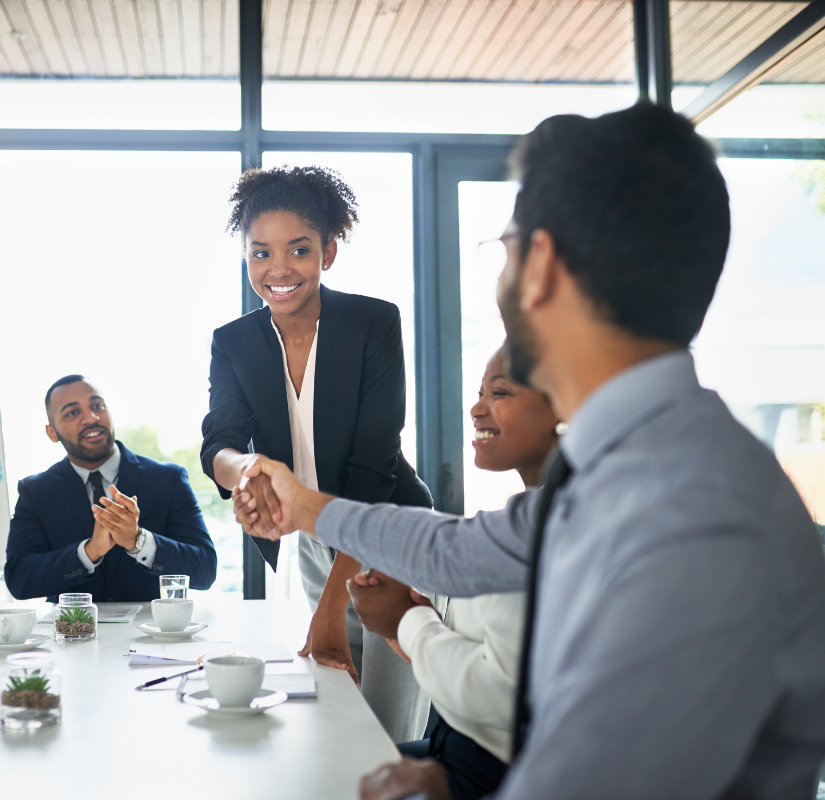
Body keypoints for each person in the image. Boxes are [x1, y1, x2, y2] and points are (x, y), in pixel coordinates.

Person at [233, 103, 825, 799]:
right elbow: (456, 550)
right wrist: (307, 508)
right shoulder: (631, 462)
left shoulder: (693, 511)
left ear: (540, 265)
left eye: (507, 246)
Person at [201, 165, 434, 743]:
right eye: (260, 253)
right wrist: (247, 472)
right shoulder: (232, 341)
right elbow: (220, 441)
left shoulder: (372, 323)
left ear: (328, 253)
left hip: (388, 528)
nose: (278, 269)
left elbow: (372, 465)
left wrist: (332, 605)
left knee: (386, 719)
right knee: (338, 704)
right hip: (313, 533)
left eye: (298, 250)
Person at [354, 347, 558, 800]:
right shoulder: (519, 520)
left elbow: (495, 695)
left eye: (499, 392)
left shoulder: (547, 534)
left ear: (563, 403)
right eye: (478, 392)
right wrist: (407, 625)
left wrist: (408, 624)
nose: (475, 408)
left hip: (493, 777)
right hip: (455, 751)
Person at [5, 375, 217, 603]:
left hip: (150, 634)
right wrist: (88, 552)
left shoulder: (168, 479)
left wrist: (138, 541)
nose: (91, 418)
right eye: (72, 413)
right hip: (72, 632)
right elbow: (19, 581)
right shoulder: (36, 491)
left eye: (98, 406)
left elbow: (204, 571)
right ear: (52, 433)